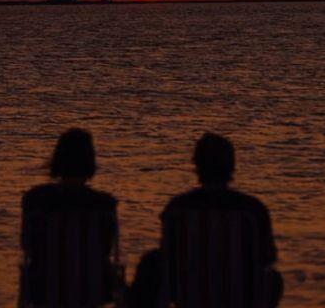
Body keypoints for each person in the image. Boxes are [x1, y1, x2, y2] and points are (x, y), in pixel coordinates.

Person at [129, 133, 283, 308]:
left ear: (197, 165)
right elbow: (267, 257)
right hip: (238, 299)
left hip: (188, 298)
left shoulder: (177, 208)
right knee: (273, 277)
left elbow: (168, 255)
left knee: (151, 261)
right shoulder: (252, 210)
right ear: (232, 166)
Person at [19, 128, 120, 307]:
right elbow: (106, 248)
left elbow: (27, 244)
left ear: (57, 160)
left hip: (45, 290)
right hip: (91, 291)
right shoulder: (105, 204)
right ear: (90, 161)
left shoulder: (34, 200)